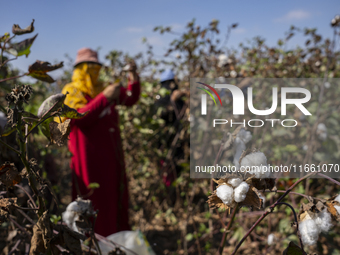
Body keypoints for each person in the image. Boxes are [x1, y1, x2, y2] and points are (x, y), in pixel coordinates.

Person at [61, 48, 140, 236]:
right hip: (88, 160)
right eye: (89, 68)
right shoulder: (72, 92)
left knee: (113, 197)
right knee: (93, 201)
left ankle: (114, 239)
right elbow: (80, 117)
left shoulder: (106, 88)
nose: (94, 72)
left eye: (97, 67)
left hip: (111, 158)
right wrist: (104, 98)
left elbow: (130, 99)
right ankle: (93, 242)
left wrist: (133, 76)